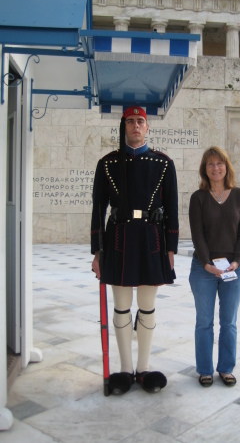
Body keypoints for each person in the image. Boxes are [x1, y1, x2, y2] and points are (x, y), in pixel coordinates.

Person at [91, 106, 179, 394]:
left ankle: (143, 368)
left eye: (141, 121)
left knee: (147, 304)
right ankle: (125, 370)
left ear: (148, 127)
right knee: (121, 305)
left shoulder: (163, 164)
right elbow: (98, 210)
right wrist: (97, 252)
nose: (136, 126)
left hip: (152, 239)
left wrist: (171, 250)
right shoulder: (107, 164)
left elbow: (173, 211)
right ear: (124, 126)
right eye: (131, 121)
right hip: (118, 239)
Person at [189, 146, 240, 387]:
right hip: (203, 269)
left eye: (220, 163)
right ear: (205, 169)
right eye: (210, 164)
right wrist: (207, 263)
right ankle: (204, 370)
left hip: (233, 270)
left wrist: (236, 261)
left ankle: (225, 368)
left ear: (227, 167)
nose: (216, 168)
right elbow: (197, 235)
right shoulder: (198, 198)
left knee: (229, 322)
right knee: (204, 321)